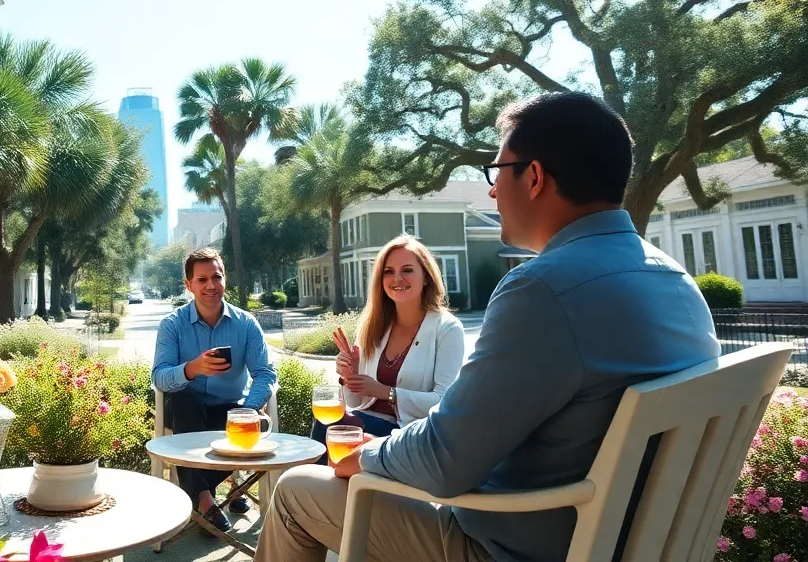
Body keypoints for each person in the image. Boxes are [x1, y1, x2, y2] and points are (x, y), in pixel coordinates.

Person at [256, 92, 721, 562]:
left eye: (497, 172)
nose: (494, 191)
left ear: (534, 177)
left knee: (297, 490)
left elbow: (446, 459)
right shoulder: (678, 282)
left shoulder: (542, 290)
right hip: (624, 543)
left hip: (511, 546)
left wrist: (365, 455)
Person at [153, 248, 278, 532]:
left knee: (240, 421)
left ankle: (193, 496)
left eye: (216, 277)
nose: (210, 285)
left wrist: (248, 409)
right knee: (183, 400)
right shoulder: (172, 325)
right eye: (201, 279)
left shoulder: (246, 323)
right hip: (187, 412)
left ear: (225, 279)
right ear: (189, 285)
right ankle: (209, 500)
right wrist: (193, 368)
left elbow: (265, 372)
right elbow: (159, 377)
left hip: (231, 408)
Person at [312, 235, 464, 452]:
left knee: (335, 429)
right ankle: (316, 481)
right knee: (329, 423)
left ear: (427, 277)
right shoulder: (374, 326)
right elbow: (355, 403)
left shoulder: (447, 329)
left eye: (408, 270)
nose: (397, 279)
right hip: (367, 424)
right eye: (389, 271)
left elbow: (443, 402)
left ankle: (317, 481)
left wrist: (386, 392)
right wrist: (349, 376)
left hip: (411, 435)